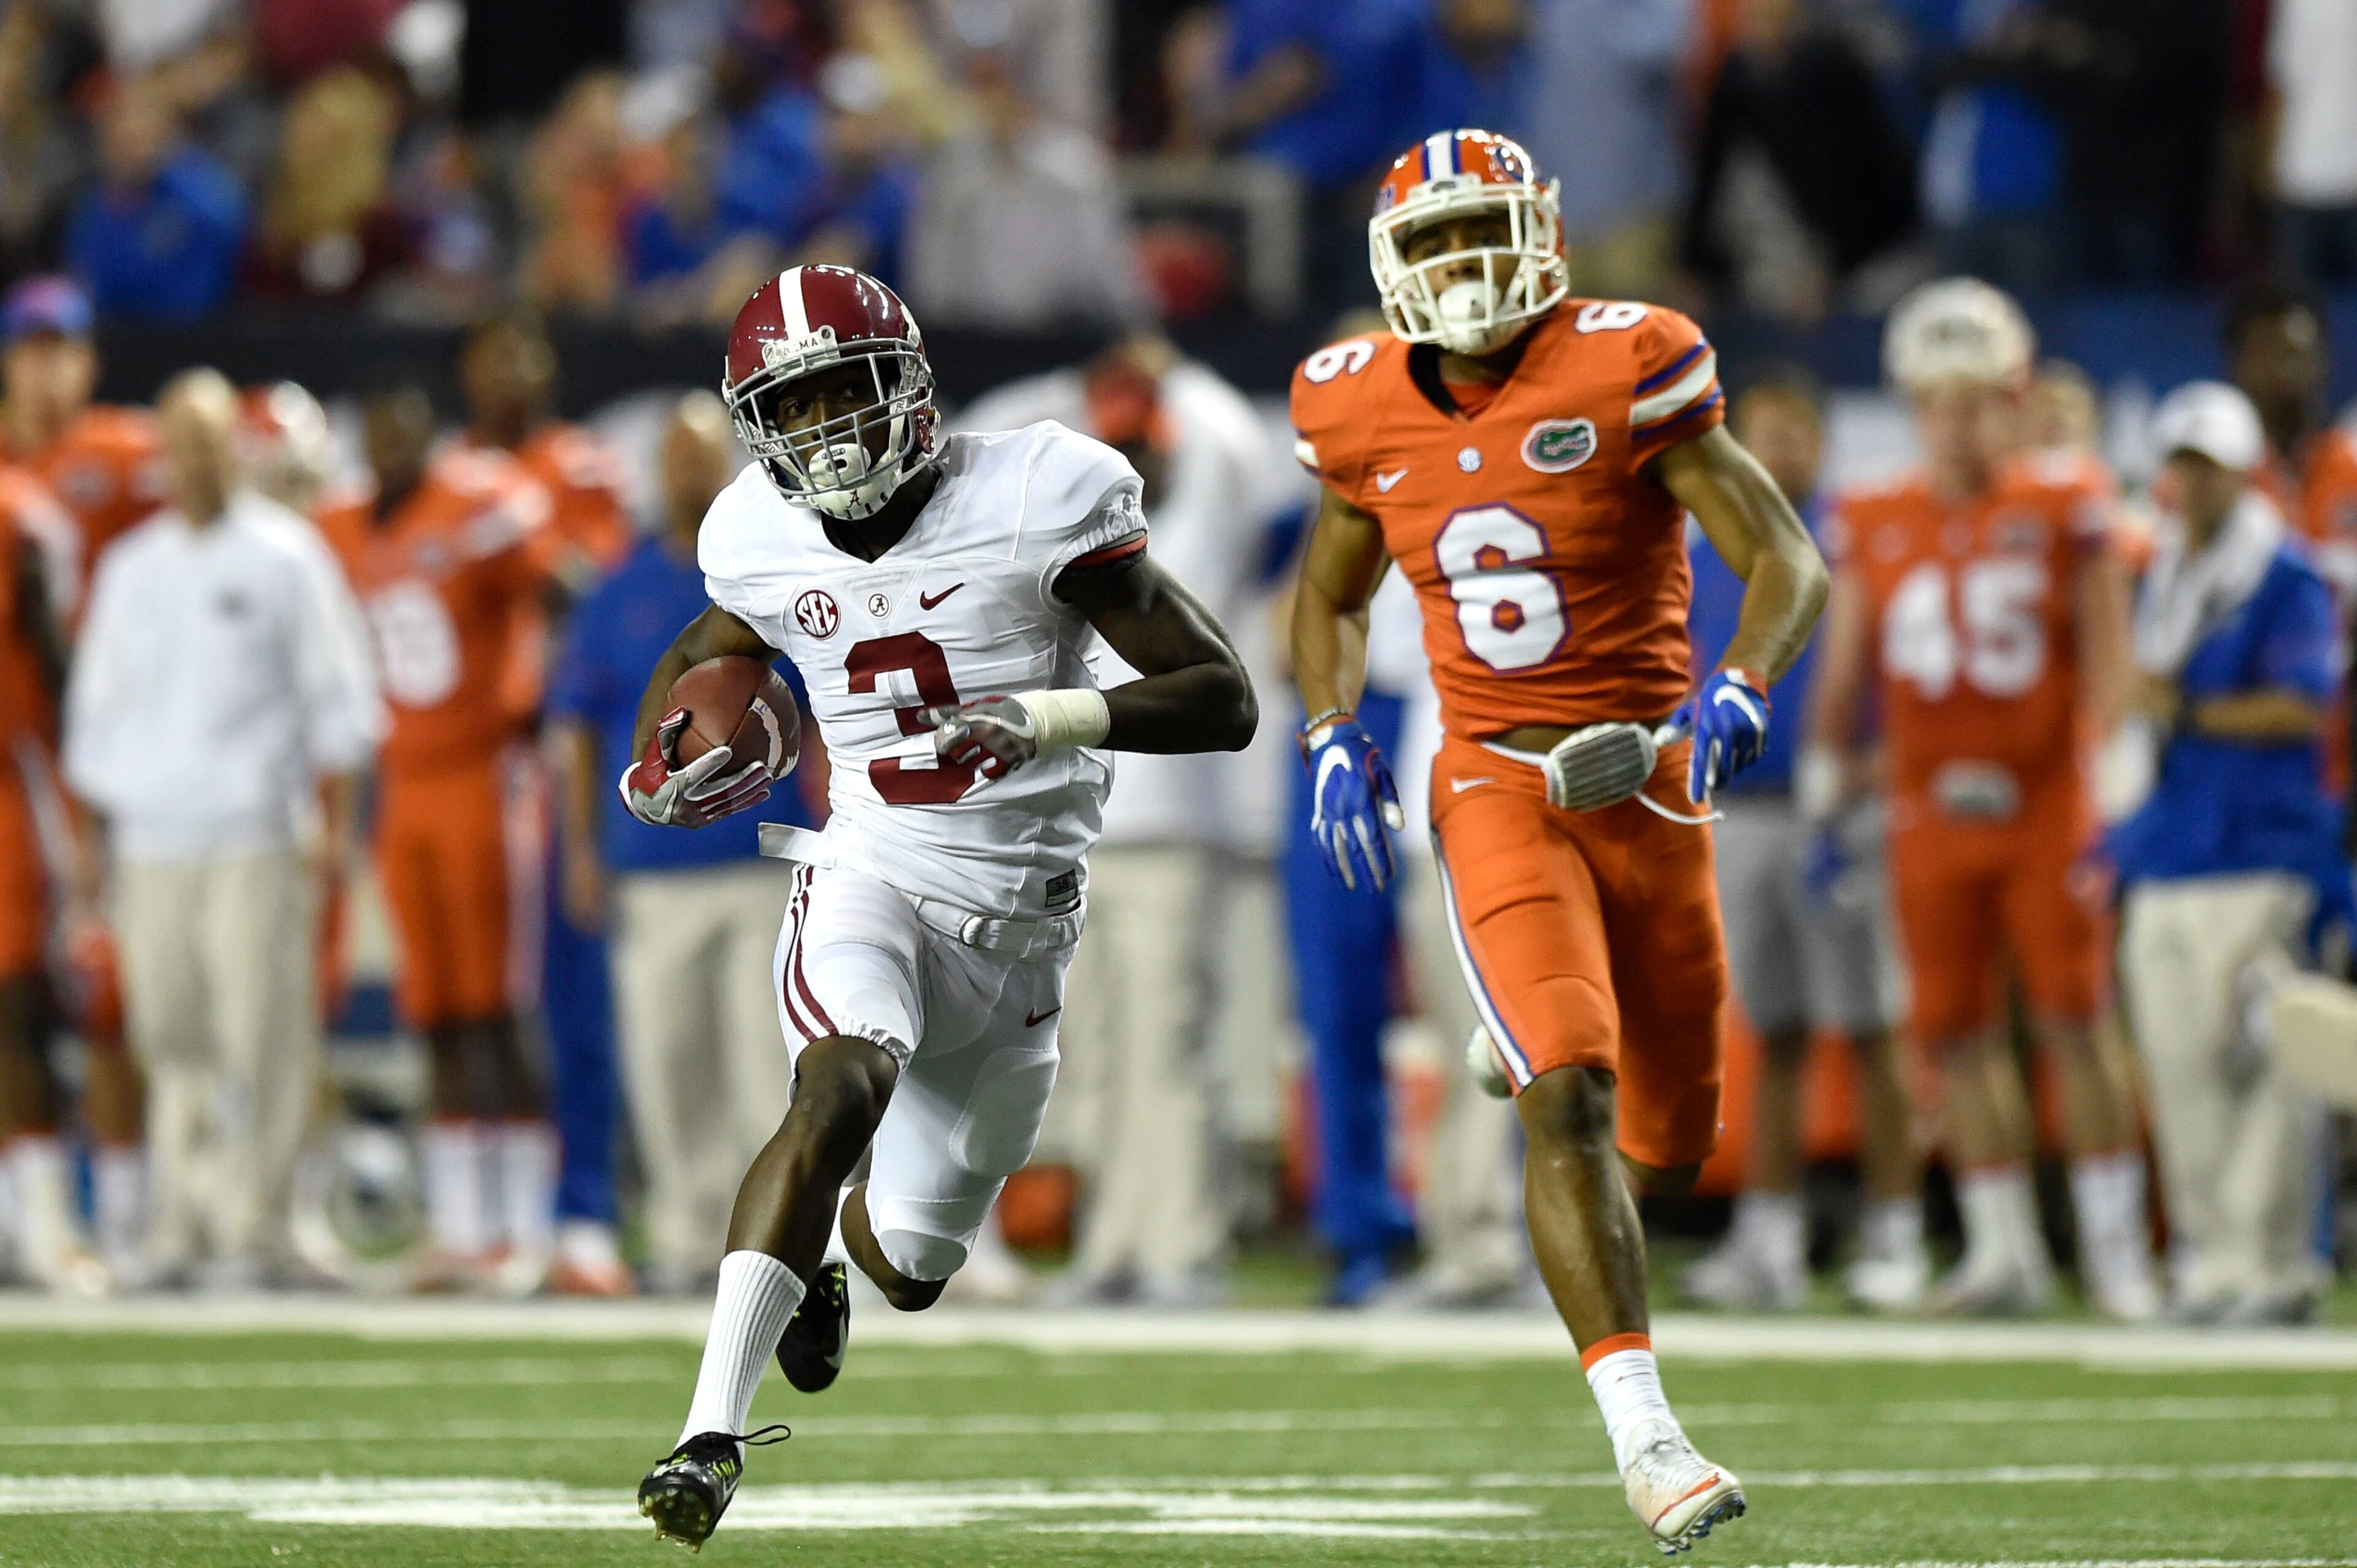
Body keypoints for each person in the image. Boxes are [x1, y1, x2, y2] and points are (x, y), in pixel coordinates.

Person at [629, 265, 1256, 1548]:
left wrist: (1050, 715)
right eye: (791, 409)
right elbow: (704, 650)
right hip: (871, 873)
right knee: (839, 1084)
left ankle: (829, 1262)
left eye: (840, 393)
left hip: (1023, 930)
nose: (822, 431)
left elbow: (1223, 696)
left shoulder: (1037, 491)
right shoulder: (756, 532)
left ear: (906, 382)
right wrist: (658, 764)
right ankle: (705, 1435)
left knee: (912, 1265)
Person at [1287, 130, 1825, 1552]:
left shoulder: (1628, 359)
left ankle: (1526, 1033)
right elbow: (1328, 592)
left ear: (1542, 234)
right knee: (1568, 1100)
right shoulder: (1353, 400)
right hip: (1495, 784)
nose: (1465, 265)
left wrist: (1743, 680)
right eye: (1436, 240)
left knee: (1671, 1144)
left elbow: (1784, 553)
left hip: (1648, 781)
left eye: (1485, 231)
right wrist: (1330, 728)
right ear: (1393, 265)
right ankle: (1648, 1439)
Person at [1809, 277, 2157, 1321]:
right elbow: (1846, 654)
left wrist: (2118, 742)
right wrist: (1828, 750)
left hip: (2046, 801)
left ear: (2014, 399)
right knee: (1954, 1033)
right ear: (1913, 405)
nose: (1958, 424)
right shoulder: (1875, 511)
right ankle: (2005, 1252)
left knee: (2076, 1021)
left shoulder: (2066, 499)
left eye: (1979, 401)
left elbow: (2106, 640)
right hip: (1926, 806)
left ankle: (2117, 1257)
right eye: (1939, 402)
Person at [958, 335, 1280, 1308]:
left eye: (1148, 447)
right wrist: (1087, 384)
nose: (1138, 466)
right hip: (1075, 831)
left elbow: (1236, 440)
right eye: (1120, 450)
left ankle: (1181, 1246)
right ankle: (1112, 1248)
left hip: (1173, 831)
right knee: (1092, 1049)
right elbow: (989, 430)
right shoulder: (1071, 548)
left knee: (1170, 1043)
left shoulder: (1204, 526)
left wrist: (1171, 368)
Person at [61, 368, 381, 1288]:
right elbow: (94, 717)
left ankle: (264, 1226)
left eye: (210, 443)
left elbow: (341, 703)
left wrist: (337, 829)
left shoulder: (286, 555)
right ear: (163, 454)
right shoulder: (132, 567)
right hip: (153, 839)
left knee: (266, 1034)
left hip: (254, 832)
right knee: (170, 1036)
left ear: (234, 451)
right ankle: (184, 1223)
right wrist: (97, 837)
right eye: (182, 444)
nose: (196, 461)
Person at [548, 392, 818, 1296]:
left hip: (759, 859)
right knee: (667, 1062)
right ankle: (684, 1235)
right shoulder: (618, 589)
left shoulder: (773, 576)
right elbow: (578, 728)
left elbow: (826, 716)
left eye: (702, 455)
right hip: (654, 870)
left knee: (764, 1063)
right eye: (676, 458)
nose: (689, 473)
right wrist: (581, 849)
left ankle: (770, 1239)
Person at [1679, 371, 1918, 1313]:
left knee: (1869, 1026)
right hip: (1740, 808)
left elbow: (1905, 681)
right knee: (1769, 1030)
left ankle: (1896, 1231)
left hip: (1839, 809)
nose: (1778, 451)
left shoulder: (1854, 542)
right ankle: (1768, 1236)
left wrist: (1873, 770)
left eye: (1794, 432)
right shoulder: (1703, 551)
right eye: (1763, 433)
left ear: (1823, 442)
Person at [315, 385, 560, 1295]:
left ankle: (528, 1226)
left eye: (403, 433)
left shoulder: (480, 503)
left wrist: (529, 704)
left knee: (500, 1006)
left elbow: (559, 587)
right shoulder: (338, 523)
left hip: (481, 775)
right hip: (402, 785)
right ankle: (463, 1227)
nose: (389, 447)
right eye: (377, 433)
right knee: (437, 1009)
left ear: (429, 439)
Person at [2109, 380, 2341, 1324]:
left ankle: (2274, 1264)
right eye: (2182, 465)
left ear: (2244, 472)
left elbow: (2303, 704)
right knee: (2179, 1067)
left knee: (2265, 1067)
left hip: (2257, 847)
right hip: (2169, 847)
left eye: (2208, 466)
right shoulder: (2165, 573)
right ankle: (2210, 1258)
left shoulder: (2284, 577)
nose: (2192, 483)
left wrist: (2190, 709)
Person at [0, 276, 158, 1278]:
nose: (49, 369)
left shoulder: (128, 455)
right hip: (29, 763)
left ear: (90, 360)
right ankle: (38, 1219)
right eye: (32, 348)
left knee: (111, 1000)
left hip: (94, 763)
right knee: (14, 993)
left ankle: (132, 1222)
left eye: (64, 348)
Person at [0, 459, 90, 1290]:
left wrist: (80, 795)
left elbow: (58, 661)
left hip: (7, 784)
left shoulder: (21, 512)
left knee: (16, 1005)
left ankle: (43, 1223)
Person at [459, 315, 635, 587]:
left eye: (518, 357)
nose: (507, 373)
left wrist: (533, 551)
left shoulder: (583, 462)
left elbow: (605, 570)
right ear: (468, 370)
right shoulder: (446, 470)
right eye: (495, 358)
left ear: (548, 367)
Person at [2226, 280, 2357, 603]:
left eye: (2297, 353)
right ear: (2238, 365)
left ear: (2324, 359)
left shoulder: (2353, 457)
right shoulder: (2219, 474)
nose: (2284, 369)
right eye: (2268, 354)